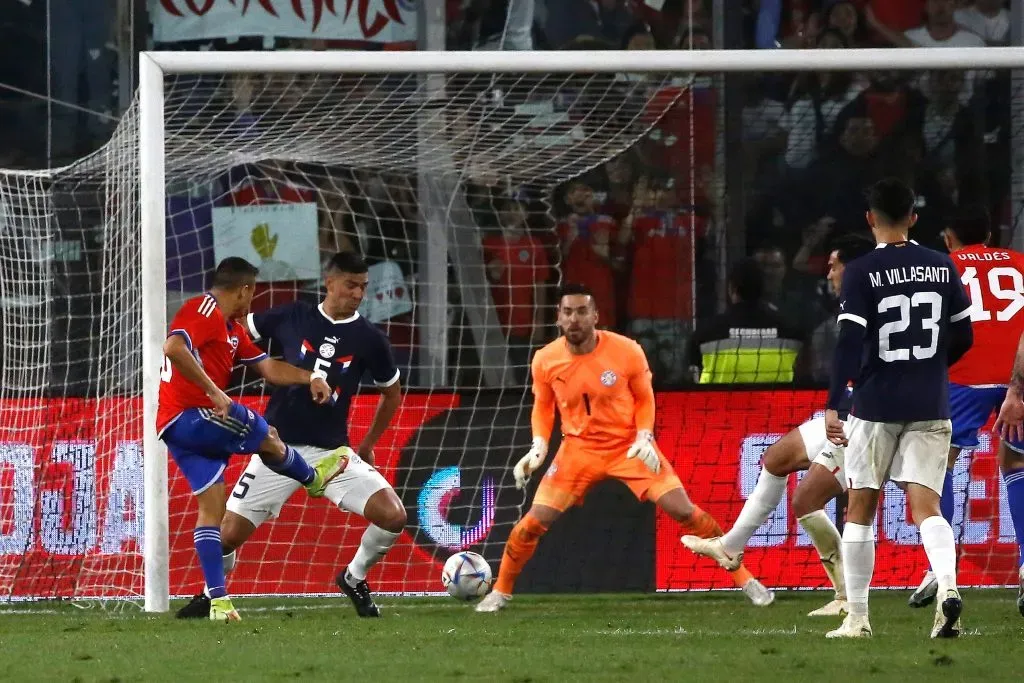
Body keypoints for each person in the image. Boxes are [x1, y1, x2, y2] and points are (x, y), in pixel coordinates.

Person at [475, 284, 774, 612]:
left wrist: (644, 435)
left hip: (629, 447)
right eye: (568, 312)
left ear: (595, 316)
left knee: (684, 511)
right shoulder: (545, 360)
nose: (575, 319)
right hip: (577, 451)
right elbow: (543, 407)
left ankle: (747, 580)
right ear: (558, 318)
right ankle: (500, 591)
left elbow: (645, 397)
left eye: (582, 311)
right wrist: (539, 446)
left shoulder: (626, 350)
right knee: (531, 524)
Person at [175, 252, 405, 619]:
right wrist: (200, 368)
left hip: (333, 455)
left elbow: (392, 392)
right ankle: (209, 594)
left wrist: (368, 445)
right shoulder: (291, 315)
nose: (359, 293)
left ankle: (354, 577)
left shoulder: (370, 339)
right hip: (275, 449)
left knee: (393, 516)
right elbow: (229, 327)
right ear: (329, 282)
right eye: (351, 285)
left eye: (363, 286)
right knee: (227, 534)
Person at [683, 234, 876, 618]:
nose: (830, 272)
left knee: (807, 502)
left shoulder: (868, 306)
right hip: (846, 411)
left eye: (834, 265)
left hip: (866, 420)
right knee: (775, 458)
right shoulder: (852, 304)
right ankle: (731, 546)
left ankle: (847, 597)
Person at [159, 257, 347, 622]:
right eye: (253, 292)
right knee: (266, 432)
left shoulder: (232, 329)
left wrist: (310, 377)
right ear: (244, 289)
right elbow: (174, 348)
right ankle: (313, 478)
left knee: (211, 513)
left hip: (177, 430)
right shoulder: (204, 307)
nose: (253, 301)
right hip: (192, 416)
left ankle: (219, 602)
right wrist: (215, 392)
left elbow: (268, 368)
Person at [824, 179, 973, 639]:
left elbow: (849, 341)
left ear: (870, 219)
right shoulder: (943, 267)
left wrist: (834, 403)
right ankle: (947, 588)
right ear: (913, 216)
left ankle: (858, 618)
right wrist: (930, 367)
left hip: (875, 403)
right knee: (927, 506)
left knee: (860, 508)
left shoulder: (862, 271)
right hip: (931, 400)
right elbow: (964, 337)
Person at [906, 209, 1024, 613]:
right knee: (1016, 465)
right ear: (989, 234)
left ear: (948, 236)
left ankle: (942, 569)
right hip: (1018, 377)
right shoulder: (1020, 263)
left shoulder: (941, 267)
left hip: (963, 375)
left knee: (941, 467)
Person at [687, 257, 805, 384]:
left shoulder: (705, 333)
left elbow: (692, 371)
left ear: (731, 288)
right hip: (777, 403)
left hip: (720, 403)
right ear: (762, 288)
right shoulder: (791, 332)